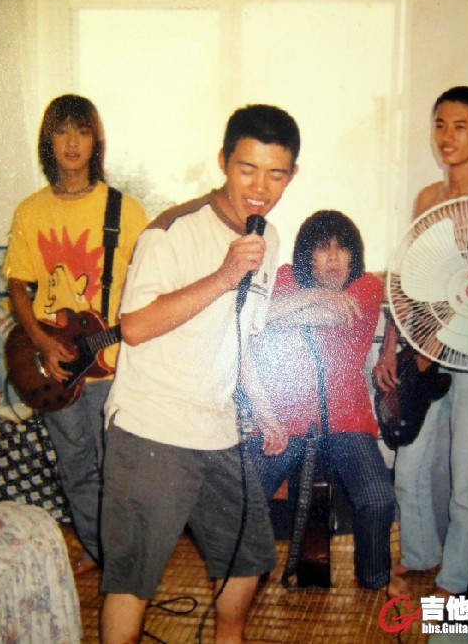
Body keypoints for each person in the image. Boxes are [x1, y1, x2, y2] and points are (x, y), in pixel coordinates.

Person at [99, 103, 300, 643]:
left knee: (246, 564)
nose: (259, 187)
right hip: (153, 429)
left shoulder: (270, 238)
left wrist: (263, 407)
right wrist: (225, 273)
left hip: (220, 432)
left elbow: (242, 335)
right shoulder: (172, 230)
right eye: (247, 169)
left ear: (291, 175)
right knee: (131, 582)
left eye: (275, 174)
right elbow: (134, 327)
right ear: (223, 161)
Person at [373, 86, 468, 599]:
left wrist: (449, 327)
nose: (447, 137)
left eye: (459, 126)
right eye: (439, 125)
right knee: (409, 465)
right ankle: (420, 556)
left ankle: (454, 580)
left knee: (466, 476)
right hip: (421, 352)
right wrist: (392, 341)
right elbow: (405, 277)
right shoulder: (427, 200)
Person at [3, 94, 148, 574]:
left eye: (82, 131)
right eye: (61, 131)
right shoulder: (30, 211)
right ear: (48, 139)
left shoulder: (125, 211)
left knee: (118, 471)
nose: (71, 142)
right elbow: (18, 285)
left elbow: (151, 282)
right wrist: (42, 343)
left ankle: (121, 559)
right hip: (54, 363)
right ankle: (97, 550)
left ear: (95, 141)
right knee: (75, 467)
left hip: (111, 366)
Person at [245, 210, 407, 597]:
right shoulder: (285, 277)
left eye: (343, 249)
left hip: (348, 421)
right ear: (307, 255)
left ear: (355, 255)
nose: (334, 257)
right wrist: (313, 295)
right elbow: (252, 315)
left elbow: (329, 314)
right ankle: (253, 570)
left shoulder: (366, 286)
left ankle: (375, 576)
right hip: (283, 421)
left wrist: (281, 312)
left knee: (378, 499)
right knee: (244, 492)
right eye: (323, 248)